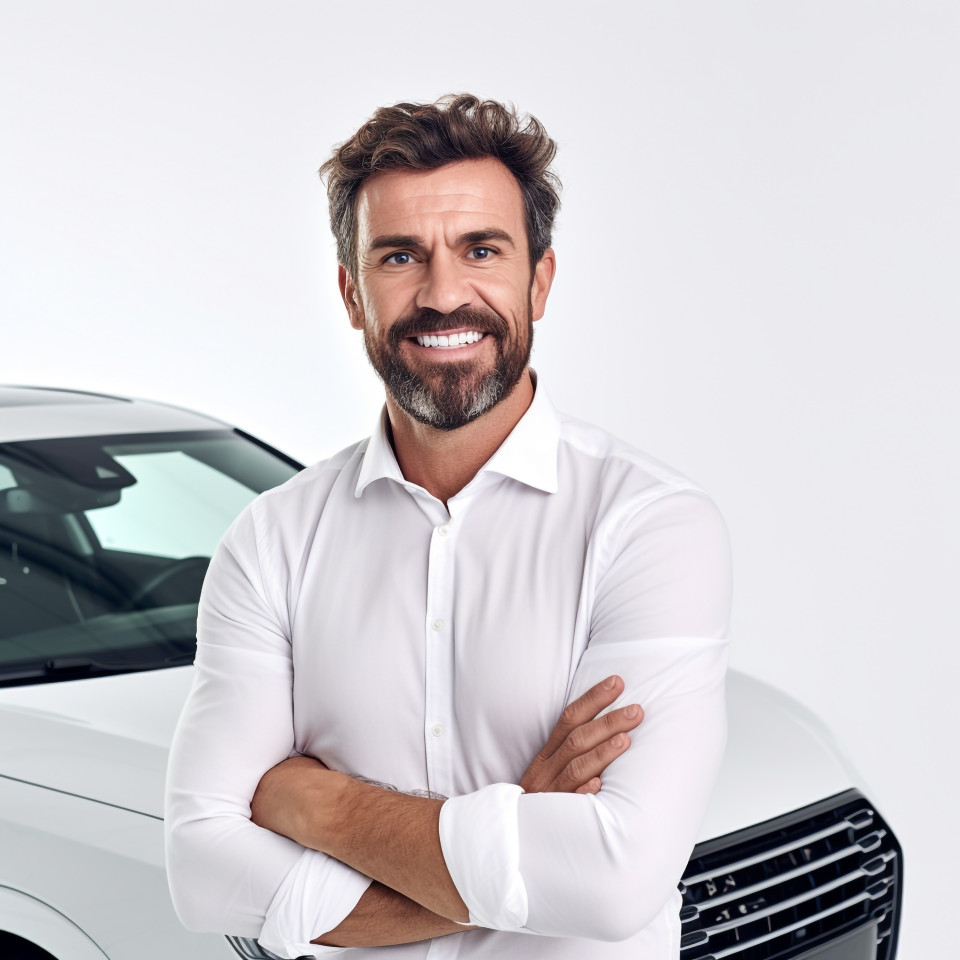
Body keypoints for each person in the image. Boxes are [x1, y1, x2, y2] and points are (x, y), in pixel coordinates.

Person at [165, 94, 731, 959]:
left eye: (481, 250)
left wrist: (318, 805)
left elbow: (613, 882)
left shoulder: (651, 527)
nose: (442, 294)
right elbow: (204, 872)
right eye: (400, 256)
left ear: (539, 281)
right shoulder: (271, 541)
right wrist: (521, 830)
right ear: (353, 294)